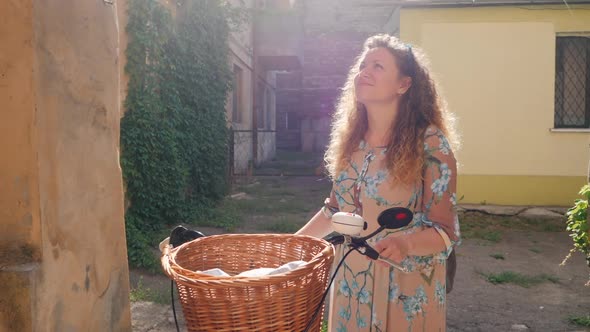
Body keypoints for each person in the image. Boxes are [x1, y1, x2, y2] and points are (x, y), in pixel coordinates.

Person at [296, 34, 461, 331]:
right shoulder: (352, 142)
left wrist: (405, 243)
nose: (364, 72)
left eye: (378, 66)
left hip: (405, 291)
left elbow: (445, 233)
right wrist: (291, 245)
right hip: (350, 285)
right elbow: (335, 212)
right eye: (362, 65)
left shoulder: (432, 145)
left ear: (404, 84)